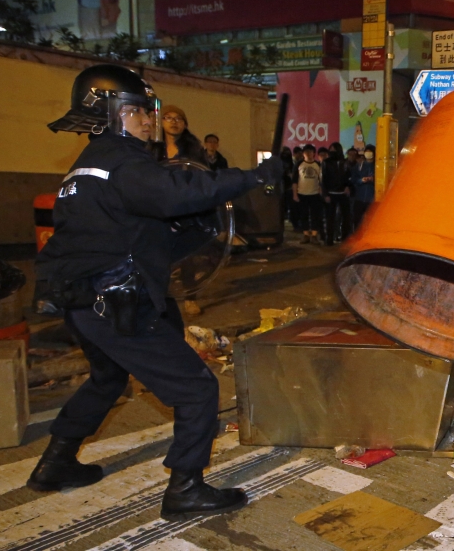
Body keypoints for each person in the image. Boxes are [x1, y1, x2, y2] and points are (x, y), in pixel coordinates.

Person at [30, 64, 283, 521]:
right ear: (107, 114)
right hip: (113, 303)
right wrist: (252, 177)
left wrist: (197, 229)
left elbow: (143, 239)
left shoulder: (87, 169)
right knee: (196, 389)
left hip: (84, 301)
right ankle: (186, 487)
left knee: (108, 379)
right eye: (136, 110)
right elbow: (174, 193)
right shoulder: (121, 161)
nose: (148, 119)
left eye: (151, 110)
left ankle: (56, 464)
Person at [153, 105, 207, 316]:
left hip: (186, 207)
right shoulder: (152, 147)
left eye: (179, 118)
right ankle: (159, 297)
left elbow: (203, 177)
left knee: (188, 256)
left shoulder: (194, 149)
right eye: (168, 117)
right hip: (159, 207)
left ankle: (189, 297)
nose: (174, 122)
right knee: (158, 254)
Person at [322, 142, 353, 245]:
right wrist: (325, 194)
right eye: (331, 149)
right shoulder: (326, 162)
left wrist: (348, 187)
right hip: (331, 193)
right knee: (330, 218)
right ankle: (329, 239)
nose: (332, 152)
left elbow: (349, 176)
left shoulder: (345, 162)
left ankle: (345, 238)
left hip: (343, 193)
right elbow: (324, 179)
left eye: (334, 150)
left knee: (346, 217)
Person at [293, 144, 324, 244]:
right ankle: (306, 235)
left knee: (315, 215)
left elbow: (321, 180)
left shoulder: (318, 165)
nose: (309, 154)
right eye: (306, 152)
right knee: (303, 215)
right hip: (302, 193)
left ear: (314, 153)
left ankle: (314, 235)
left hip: (315, 194)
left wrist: (321, 191)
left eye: (311, 152)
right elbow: (294, 181)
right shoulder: (299, 164)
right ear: (303, 153)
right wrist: (295, 194)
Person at [351, 144, 376, 228]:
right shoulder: (359, 165)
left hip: (372, 199)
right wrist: (361, 180)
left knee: (371, 220)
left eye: (370, 152)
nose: (368, 153)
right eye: (367, 151)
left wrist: (373, 180)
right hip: (359, 198)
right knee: (357, 219)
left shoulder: (377, 166)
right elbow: (353, 179)